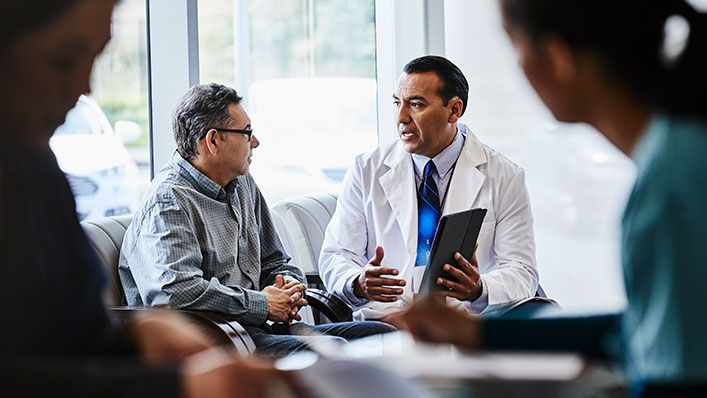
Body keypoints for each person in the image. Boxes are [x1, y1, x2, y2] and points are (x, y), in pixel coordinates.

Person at [395, 0, 707, 395]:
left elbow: (677, 381)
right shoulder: (679, 153)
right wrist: (480, 333)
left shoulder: (672, 187)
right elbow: (642, 329)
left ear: (557, 58)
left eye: (516, 48)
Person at [0, 1, 283, 396]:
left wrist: (134, 331)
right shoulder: (168, 199)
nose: (85, 87)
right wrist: (178, 383)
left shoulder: (38, 170)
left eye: (95, 58)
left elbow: (75, 330)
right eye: (63, 60)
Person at [119, 83, 395, 357]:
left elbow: (276, 261)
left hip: (255, 330)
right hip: (211, 345)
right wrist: (262, 304)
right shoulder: (169, 201)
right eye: (247, 132)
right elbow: (175, 293)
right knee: (333, 353)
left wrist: (287, 288)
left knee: (384, 337)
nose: (256, 142)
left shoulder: (242, 183)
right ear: (213, 140)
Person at [319, 55, 539, 321]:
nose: (401, 117)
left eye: (415, 104)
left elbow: (522, 270)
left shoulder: (504, 176)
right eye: (397, 104)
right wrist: (357, 282)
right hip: (387, 322)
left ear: (454, 110)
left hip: (465, 325)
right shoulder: (367, 169)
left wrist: (479, 289)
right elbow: (336, 254)